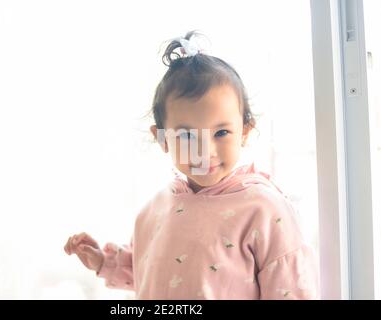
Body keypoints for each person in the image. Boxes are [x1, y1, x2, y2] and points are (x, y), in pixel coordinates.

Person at [64, 31, 320, 299]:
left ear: (245, 131)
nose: (205, 151)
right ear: (162, 139)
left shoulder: (265, 210)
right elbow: (151, 273)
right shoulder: (154, 210)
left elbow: (291, 288)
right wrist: (104, 262)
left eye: (221, 133)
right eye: (187, 136)